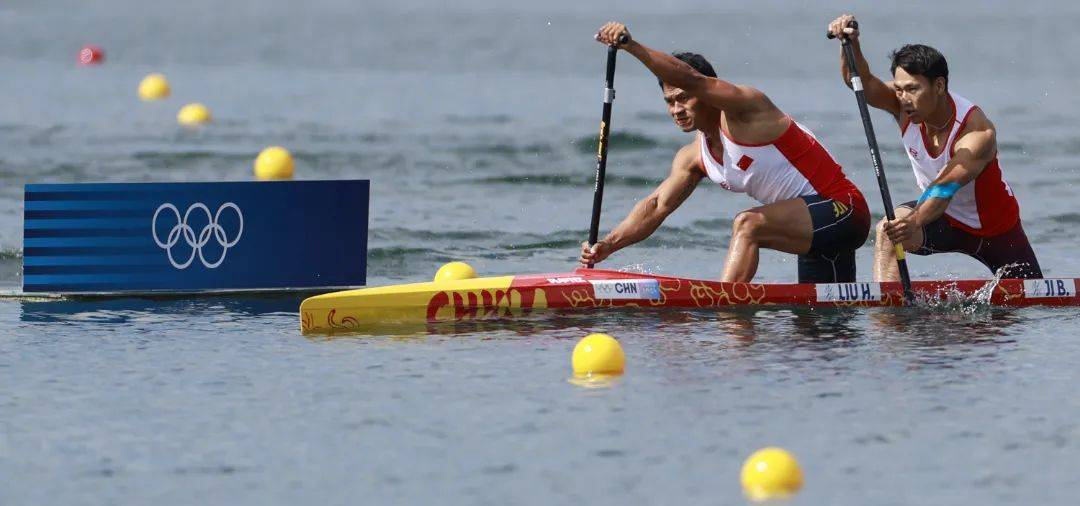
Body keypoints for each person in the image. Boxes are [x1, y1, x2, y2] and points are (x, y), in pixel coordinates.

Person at [580, 22, 870, 283]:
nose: (676, 110)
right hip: (810, 229)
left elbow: (693, 79)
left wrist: (631, 46)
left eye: (683, 98)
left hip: (845, 210)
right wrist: (608, 245)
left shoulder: (746, 111)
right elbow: (657, 206)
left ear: (707, 94)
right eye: (669, 102)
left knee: (747, 224)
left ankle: (724, 307)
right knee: (821, 330)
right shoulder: (693, 156)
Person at [826, 14, 1042, 280]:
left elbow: (943, 189)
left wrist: (914, 221)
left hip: (996, 230)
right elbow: (859, 82)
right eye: (900, 88)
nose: (903, 99)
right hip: (942, 220)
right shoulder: (904, 106)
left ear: (939, 85)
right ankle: (887, 318)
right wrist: (849, 44)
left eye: (913, 89)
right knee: (888, 232)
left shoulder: (976, 132)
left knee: (1033, 295)